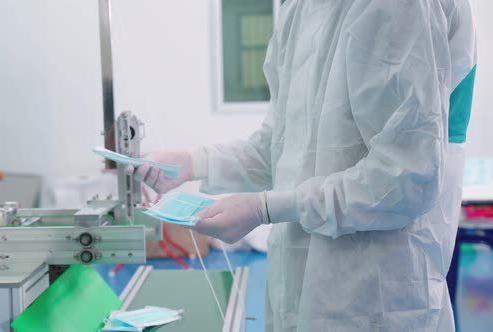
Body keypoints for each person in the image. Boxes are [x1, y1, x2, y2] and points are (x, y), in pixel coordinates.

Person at [128, 0, 477, 330]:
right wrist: (193, 163)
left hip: (377, 292)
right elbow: (279, 147)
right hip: (297, 280)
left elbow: (405, 178)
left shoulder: (402, 7)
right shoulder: (301, 10)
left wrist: (264, 208)